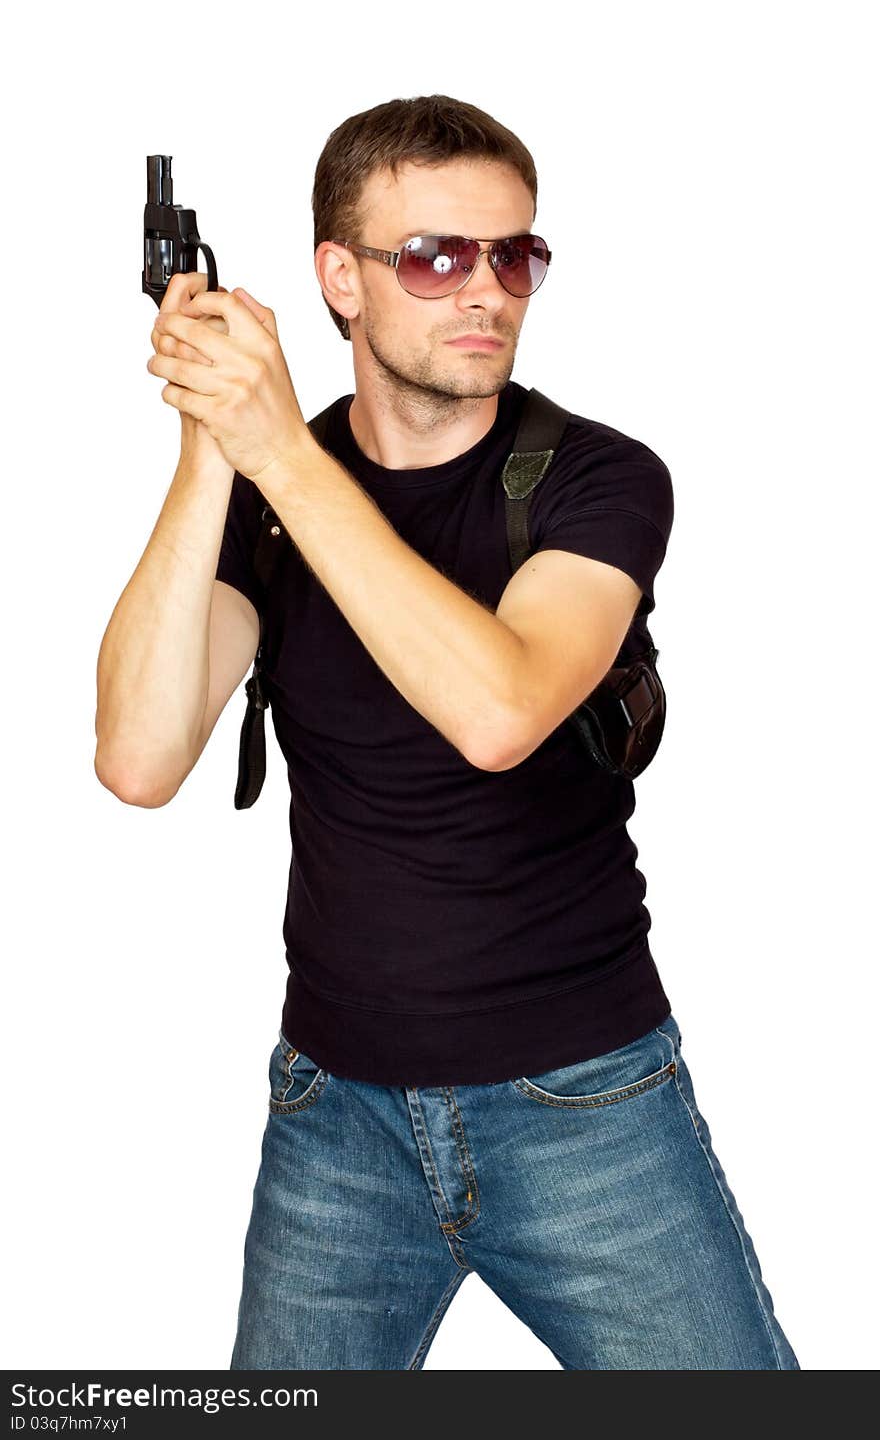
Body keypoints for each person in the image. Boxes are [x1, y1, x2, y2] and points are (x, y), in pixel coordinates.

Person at [94, 94, 800, 1370]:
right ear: (340, 280)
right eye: (433, 256)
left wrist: (280, 457)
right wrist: (213, 451)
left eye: (513, 254)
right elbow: (139, 758)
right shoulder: (266, 489)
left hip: (584, 1106)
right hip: (333, 1119)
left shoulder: (598, 477)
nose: (486, 289)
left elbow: (500, 709)